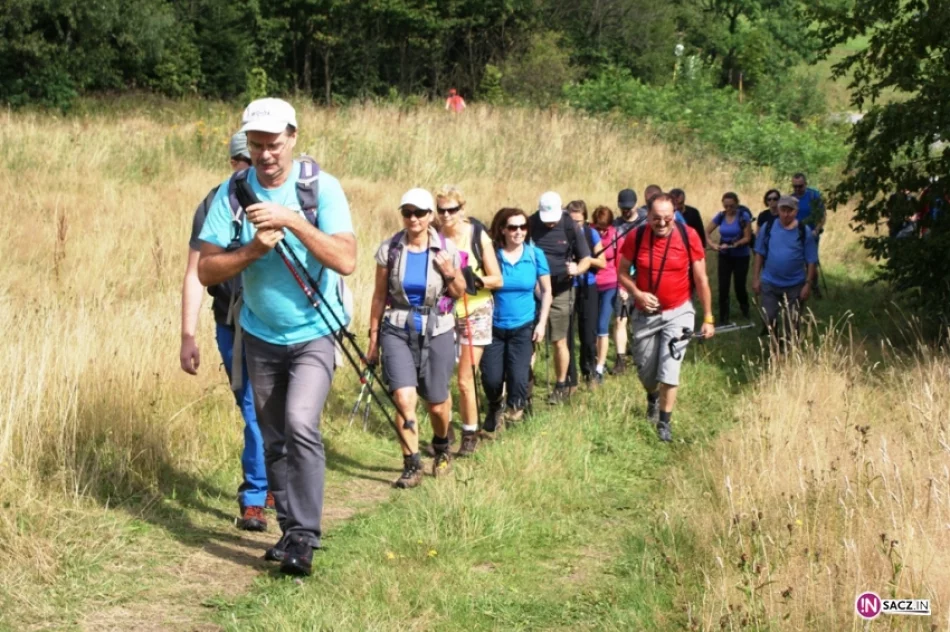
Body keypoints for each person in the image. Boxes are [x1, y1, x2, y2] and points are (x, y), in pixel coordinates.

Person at [197, 98, 357, 577]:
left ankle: (305, 535)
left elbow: (346, 259)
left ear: (293, 138)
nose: (266, 154)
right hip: (259, 335)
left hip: (314, 331)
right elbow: (206, 268)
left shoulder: (320, 189)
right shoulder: (232, 193)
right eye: (257, 145)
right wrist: (250, 250)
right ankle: (290, 532)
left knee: (301, 424)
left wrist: (291, 221)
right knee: (273, 439)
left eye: (274, 144)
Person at [181, 132, 271, 532]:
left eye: (250, 159)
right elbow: (193, 274)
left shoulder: (282, 197)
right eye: (240, 159)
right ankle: (257, 493)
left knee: (277, 411)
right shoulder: (216, 203)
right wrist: (187, 336)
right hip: (230, 323)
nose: (246, 168)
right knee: (251, 408)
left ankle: (262, 489)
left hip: (277, 324)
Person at [367, 188, 466, 489]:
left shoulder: (446, 249)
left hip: (437, 329)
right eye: (407, 212)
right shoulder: (390, 249)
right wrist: (373, 340)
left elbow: (460, 292)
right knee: (403, 399)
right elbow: (379, 296)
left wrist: (449, 272)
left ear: (430, 216)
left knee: (436, 404)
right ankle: (411, 463)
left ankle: (441, 445)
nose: (413, 218)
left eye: (419, 213)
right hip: (397, 328)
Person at [618, 193, 714, 442]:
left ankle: (664, 422)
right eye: (656, 218)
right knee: (647, 373)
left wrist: (709, 317)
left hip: (679, 312)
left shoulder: (688, 235)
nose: (662, 224)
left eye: (667, 219)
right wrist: (637, 293)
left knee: (669, 369)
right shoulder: (636, 236)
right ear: (647, 215)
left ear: (675, 215)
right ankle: (652, 396)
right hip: (646, 315)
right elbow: (621, 273)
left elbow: (702, 279)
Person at [434, 185, 502, 456]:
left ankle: (470, 433)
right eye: (441, 210)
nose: (446, 215)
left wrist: (475, 280)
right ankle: (445, 430)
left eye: (452, 209)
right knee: (439, 378)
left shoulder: (477, 235)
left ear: (463, 209)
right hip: (446, 311)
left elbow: (498, 279)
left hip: (476, 310)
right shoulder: (435, 237)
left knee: (464, 379)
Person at [480, 208, 552, 434]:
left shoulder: (534, 254)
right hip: (493, 326)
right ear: (502, 229)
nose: (519, 231)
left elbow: (547, 291)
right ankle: (494, 406)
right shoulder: (492, 255)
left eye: (523, 227)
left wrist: (541, 323)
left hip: (524, 326)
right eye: (513, 227)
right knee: (491, 379)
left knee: (519, 379)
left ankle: (513, 419)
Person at [527, 191, 593, 404]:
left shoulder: (569, 225)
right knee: (528, 340)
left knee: (559, 340)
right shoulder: (530, 223)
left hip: (562, 289)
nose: (550, 224)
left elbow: (586, 259)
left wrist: (577, 269)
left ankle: (561, 384)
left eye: (553, 220)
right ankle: (524, 385)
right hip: (532, 289)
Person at [752, 195, 818, 349]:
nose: (786, 214)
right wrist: (756, 278)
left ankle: (789, 351)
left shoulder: (804, 231)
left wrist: (808, 284)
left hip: (795, 285)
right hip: (770, 282)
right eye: (783, 210)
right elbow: (759, 253)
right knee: (769, 317)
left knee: (792, 322)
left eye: (790, 210)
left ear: (796, 211)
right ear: (778, 210)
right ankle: (774, 346)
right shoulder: (768, 228)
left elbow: (811, 260)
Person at [565, 201, 605, 389]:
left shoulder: (591, 234)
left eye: (578, 221)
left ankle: (589, 372)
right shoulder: (562, 235)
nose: (575, 226)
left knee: (588, 334)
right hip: (567, 288)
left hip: (588, 287)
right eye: (571, 221)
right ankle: (569, 377)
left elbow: (603, 263)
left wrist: (587, 260)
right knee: (567, 335)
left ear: (586, 220)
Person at [610, 188, 648, 375]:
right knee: (620, 319)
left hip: (644, 277)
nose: (625, 212)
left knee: (640, 319)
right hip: (623, 277)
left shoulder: (647, 221)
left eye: (628, 208)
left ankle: (641, 353)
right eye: (622, 208)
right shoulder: (615, 226)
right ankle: (620, 359)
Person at [705, 192, 753, 324]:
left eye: (731, 206)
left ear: (737, 204)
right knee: (723, 286)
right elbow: (706, 231)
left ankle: (745, 310)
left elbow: (747, 237)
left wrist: (735, 244)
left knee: (739, 285)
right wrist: (713, 245)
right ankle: (723, 317)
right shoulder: (721, 216)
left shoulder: (744, 216)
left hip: (741, 256)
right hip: (725, 255)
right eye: (726, 206)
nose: (728, 209)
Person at [592, 206, 619, 383]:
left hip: (610, 283)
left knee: (602, 326)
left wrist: (623, 289)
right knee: (592, 326)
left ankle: (600, 367)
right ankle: (593, 361)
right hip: (592, 284)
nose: (602, 231)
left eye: (605, 228)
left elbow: (621, 261)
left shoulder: (616, 235)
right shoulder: (589, 234)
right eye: (599, 227)